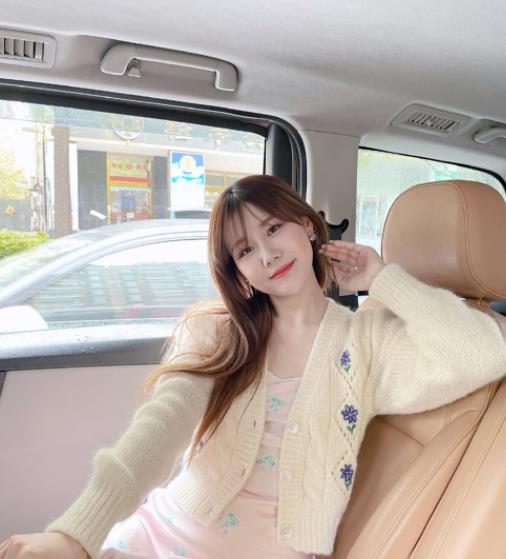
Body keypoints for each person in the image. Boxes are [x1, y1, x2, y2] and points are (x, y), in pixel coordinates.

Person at [1, 175, 505, 559]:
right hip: (158, 534)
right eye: (245, 250)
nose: (267, 254)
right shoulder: (217, 332)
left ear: (308, 228)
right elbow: (155, 433)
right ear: (238, 271)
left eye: (274, 229)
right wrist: (76, 536)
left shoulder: (367, 341)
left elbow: (483, 354)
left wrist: (383, 278)